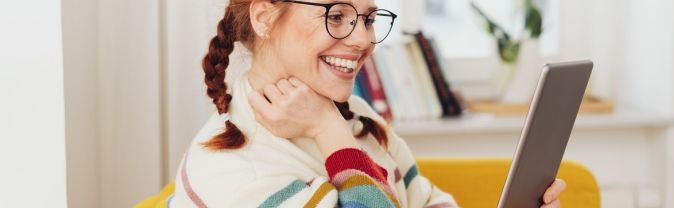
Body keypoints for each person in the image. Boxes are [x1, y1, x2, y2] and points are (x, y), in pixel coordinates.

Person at [169, 0, 566, 207]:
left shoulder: (359, 119)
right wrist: (328, 130)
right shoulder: (237, 170)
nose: (362, 40)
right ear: (265, 18)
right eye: (336, 16)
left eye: (369, 18)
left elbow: (425, 201)